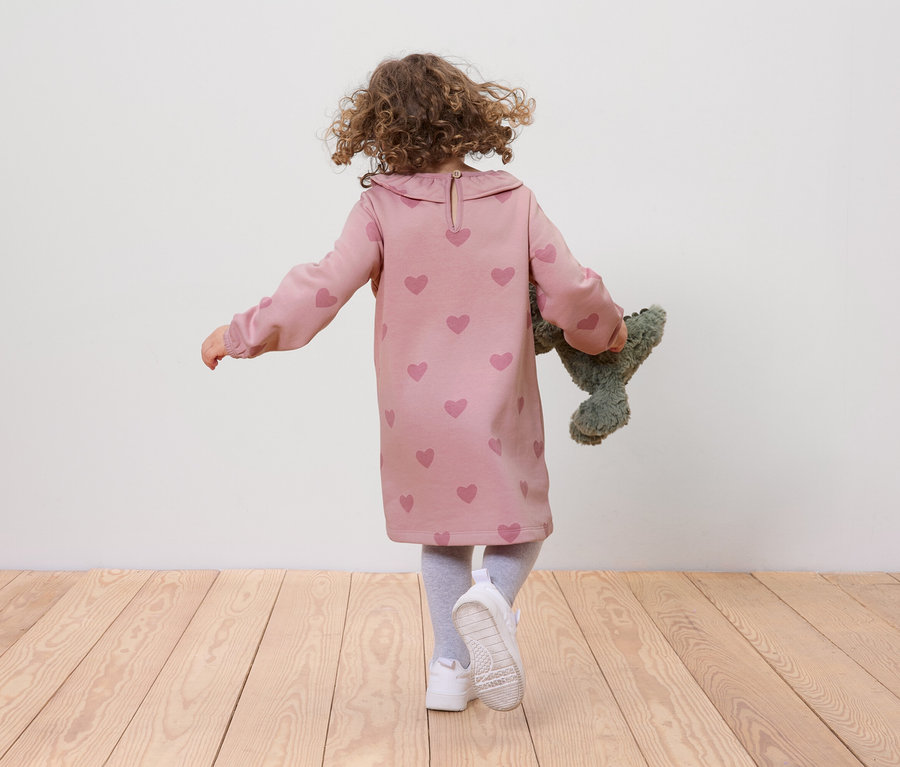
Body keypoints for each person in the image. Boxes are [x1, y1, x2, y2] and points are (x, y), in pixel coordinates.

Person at [201, 53, 626, 712]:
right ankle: (493, 597)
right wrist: (608, 334)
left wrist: (241, 333)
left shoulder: (379, 207)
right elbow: (570, 289)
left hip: (415, 412)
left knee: (441, 533)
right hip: (498, 406)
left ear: (382, 130)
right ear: (468, 118)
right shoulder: (514, 202)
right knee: (522, 523)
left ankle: (451, 668)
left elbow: (321, 286)